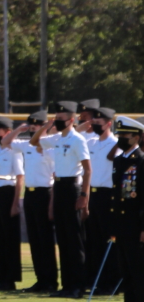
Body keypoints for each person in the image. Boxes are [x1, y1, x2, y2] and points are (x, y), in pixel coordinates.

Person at [31, 100, 92, 299]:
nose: (57, 121)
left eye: (61, 119)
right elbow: (34, 141)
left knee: (74, 240)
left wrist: (84, 195)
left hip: (73, 187)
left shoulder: (78, 139)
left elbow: (88, 169)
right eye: (56, 118)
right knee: (63, 240)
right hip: (58, 187)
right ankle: (66, 285)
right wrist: (47, 126)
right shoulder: (56, 138)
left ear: (71, 120)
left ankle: (78, 285)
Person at [0, 109, 58, 293]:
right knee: (34, 240)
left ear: (45, 126)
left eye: (37, 124)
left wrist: (51, 204)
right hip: (31, 195)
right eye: (31, 124)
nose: (33, 127)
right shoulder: (26, 145)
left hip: (45, 193)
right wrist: (19, 130)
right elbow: (5, 142)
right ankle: (40, 280)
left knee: (45, 240)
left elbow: (56, 177)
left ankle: (50, 281)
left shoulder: (50, 147)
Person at [84, 105, 120, 294]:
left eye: (99, 123)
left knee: (109, 240)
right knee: (95, 241)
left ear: (108, 123)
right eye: (93, 122)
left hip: (108, 195)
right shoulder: (91, 143)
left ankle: (110, 282)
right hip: (93, 195)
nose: (95, 125)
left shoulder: (116, 145)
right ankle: (98, 281)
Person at [108, 116, 144, 302]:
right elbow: (116, 195)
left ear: (137, 137)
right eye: (119, 134)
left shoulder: (140, 161)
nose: (121, 138)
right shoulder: (119, 161)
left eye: (126, 135)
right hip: (121, 225)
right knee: (126, 272)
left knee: (139, 273)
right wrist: (113, 226)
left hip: (135, 225)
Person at [0, 116, 24, 291]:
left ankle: (10, 279)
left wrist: (16, 202)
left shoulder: (14, 151)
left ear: (8, 132)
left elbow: (19, 177)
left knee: (10, 238)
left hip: (8, 193)